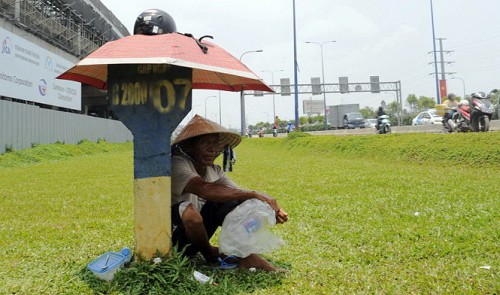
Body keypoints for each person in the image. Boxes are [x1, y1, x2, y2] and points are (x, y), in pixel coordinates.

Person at [170, 115, 288, 271]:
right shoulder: (177, 163)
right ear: (190, 146)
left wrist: (270, 209)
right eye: (205, 143)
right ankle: (211, 255)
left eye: (215, 144)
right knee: (190, 211)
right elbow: (204, 190)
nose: (212, 149)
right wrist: (255, 194)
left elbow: (238, 196)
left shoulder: (214, 170)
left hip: (196, 240)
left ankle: (245, 256)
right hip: (175, 241)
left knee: (233, 203)